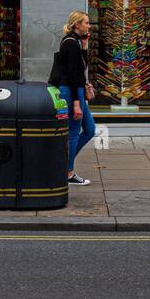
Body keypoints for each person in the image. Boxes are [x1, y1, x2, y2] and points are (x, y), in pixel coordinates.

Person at [49, 11, 95, 186]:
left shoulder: (75, 42)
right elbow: (74, 75)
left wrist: (85, 46)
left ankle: (62, 164)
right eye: (86, 23)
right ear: (77, 25)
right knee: (74, 132)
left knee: (90, 129)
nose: (89, 26)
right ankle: (67, 172)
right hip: (71, 91)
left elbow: (81, 67)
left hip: (75, 90)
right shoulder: (70, 43)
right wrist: (77, 103)